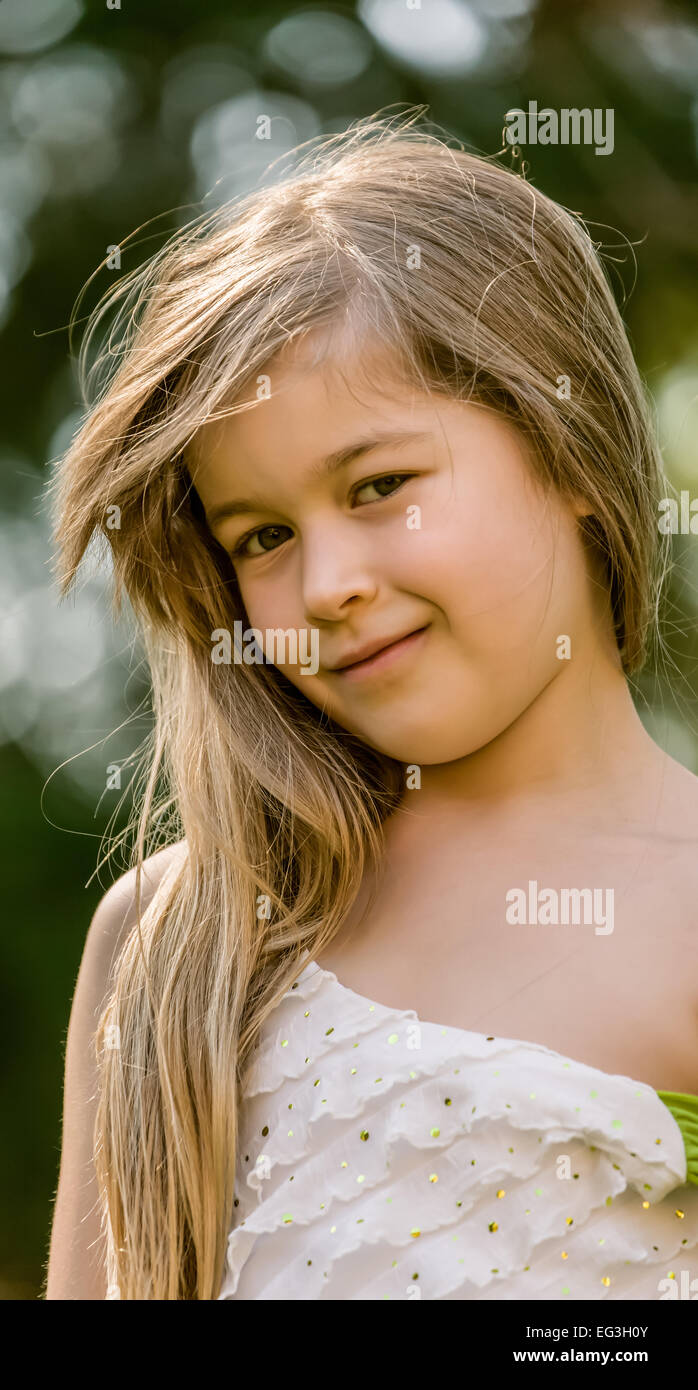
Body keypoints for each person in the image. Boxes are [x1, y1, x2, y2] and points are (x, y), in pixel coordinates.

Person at [44, 112, 698, 1301]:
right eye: (263, 536)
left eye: (380, 484)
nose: (328, 582)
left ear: (568, 452)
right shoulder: (178, 934)